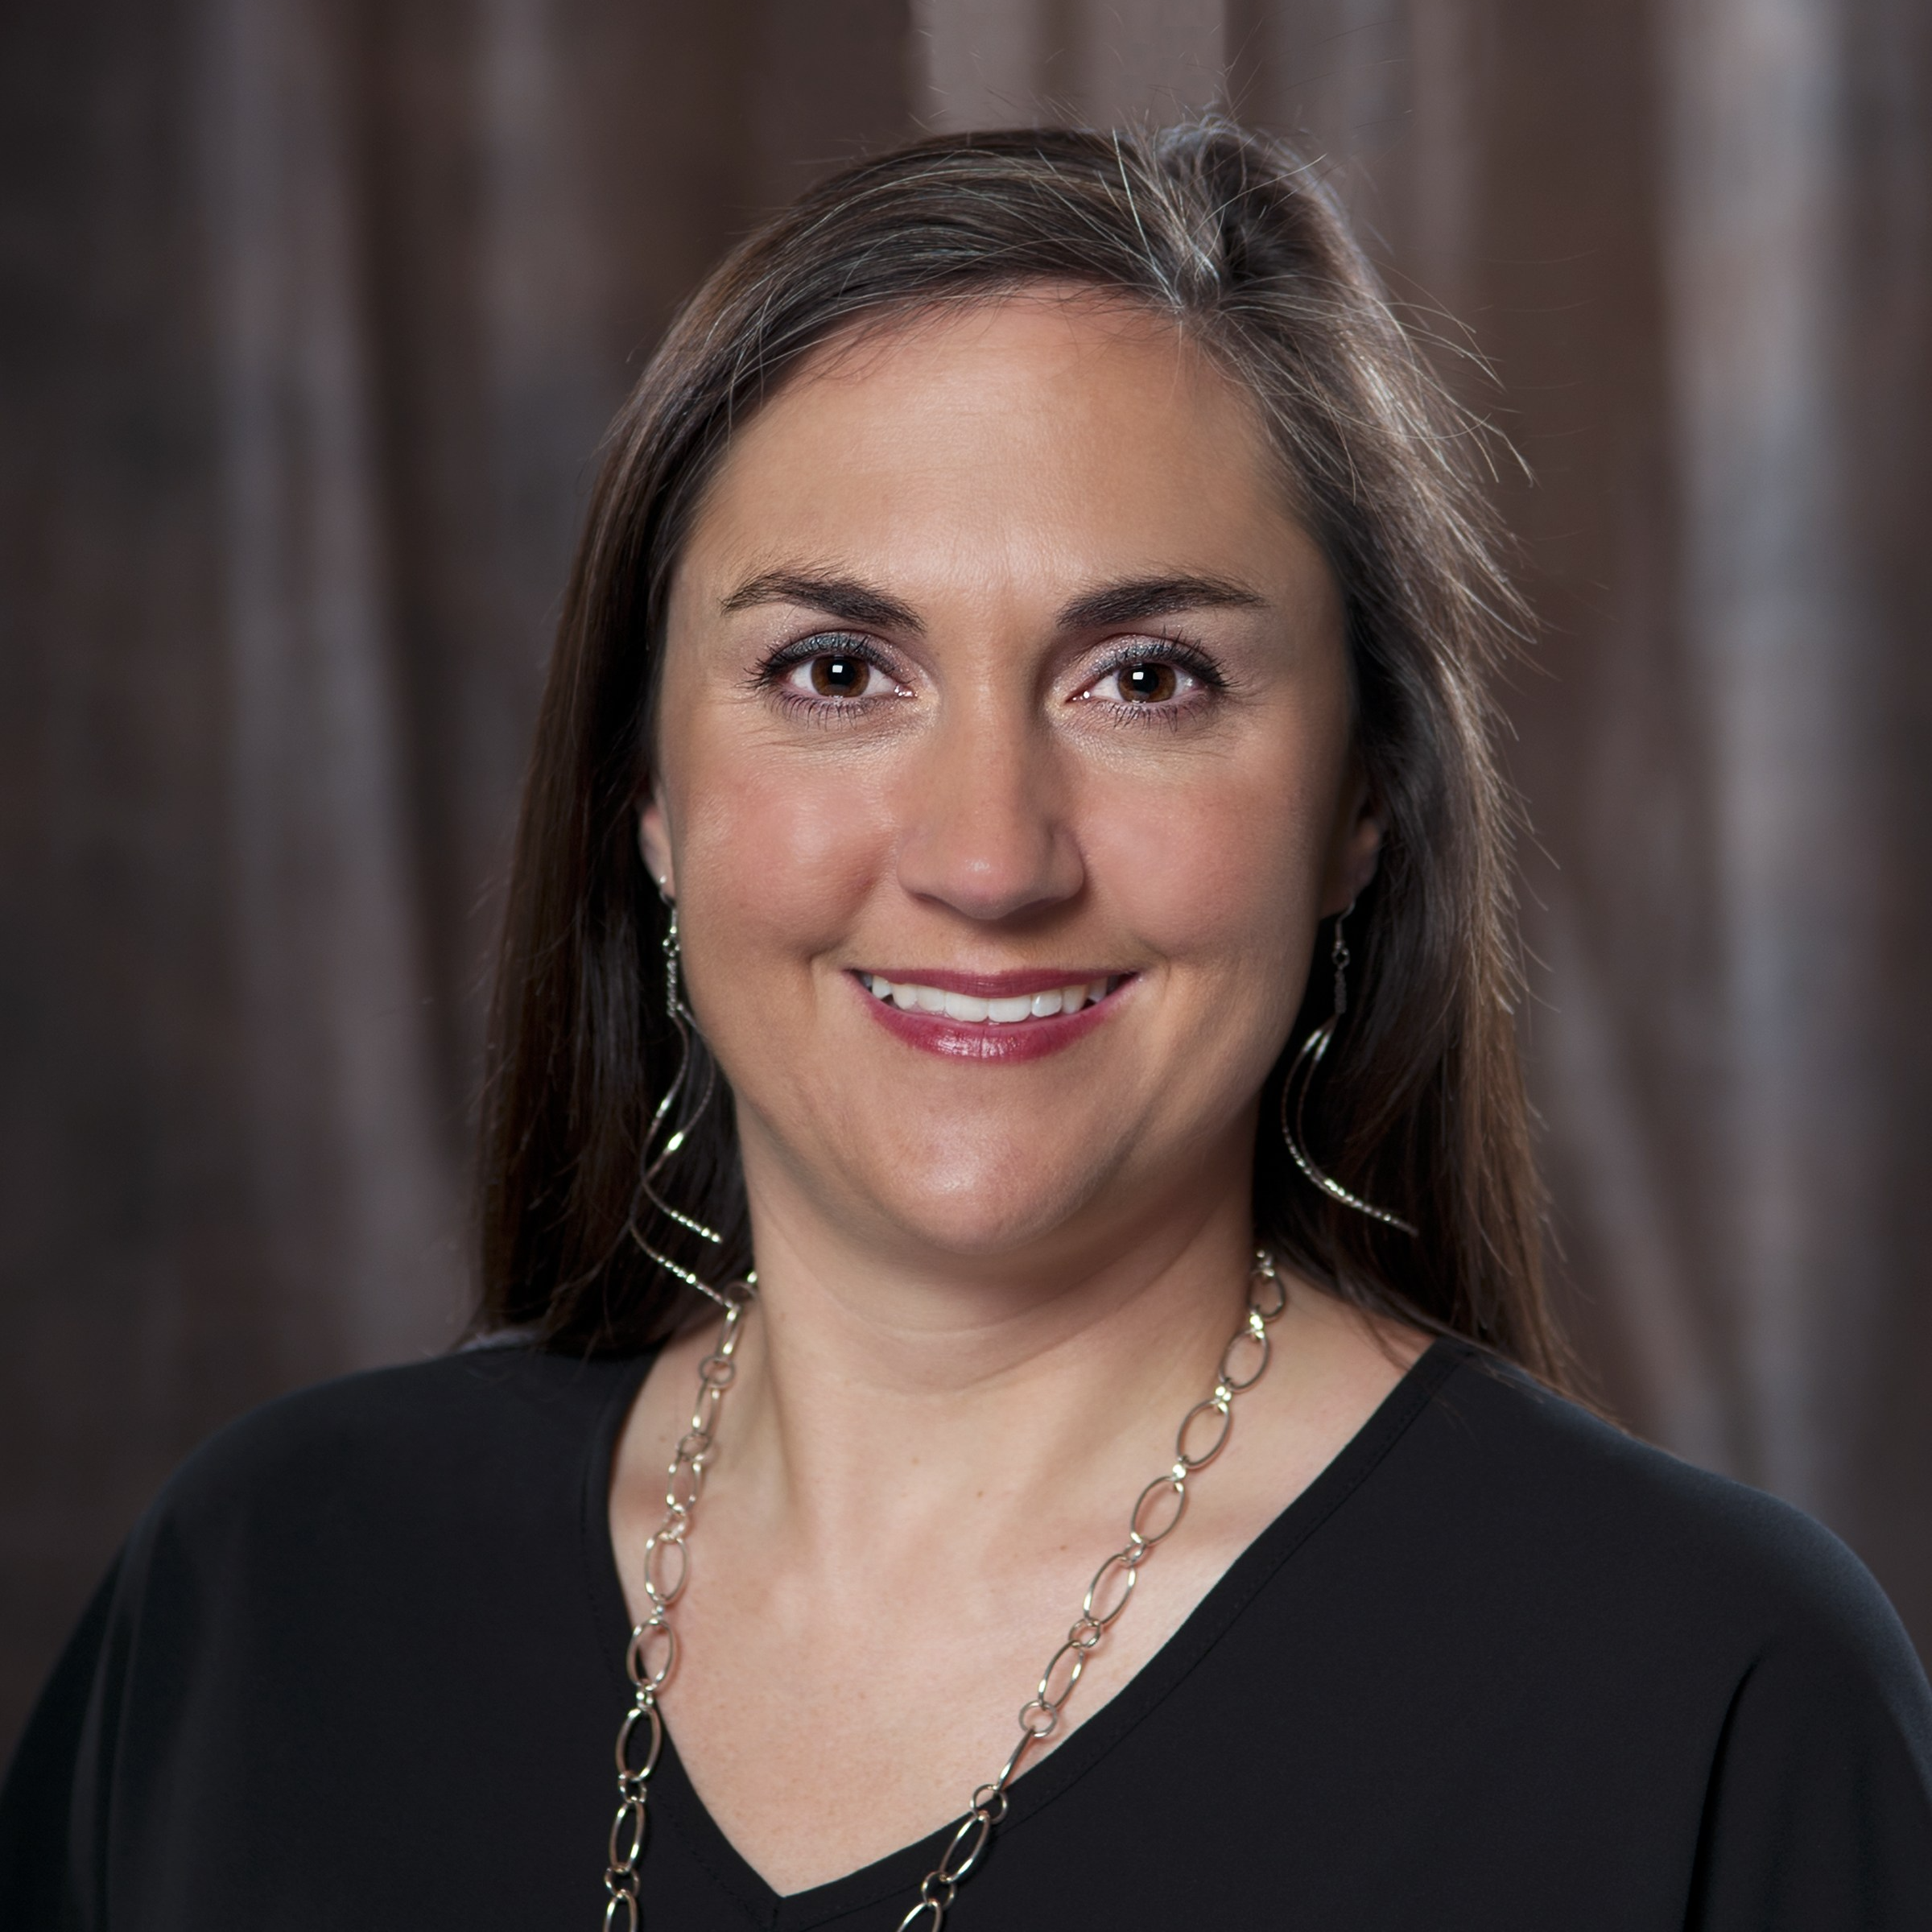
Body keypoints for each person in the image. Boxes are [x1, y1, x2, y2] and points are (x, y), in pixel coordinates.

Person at [2, 119, 1928, 1931]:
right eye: (838, 670)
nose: (990, 857)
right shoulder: (264, 1603)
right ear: (643, 796)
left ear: (1363, 808)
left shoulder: (1708, 1704)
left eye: (1148, 678)